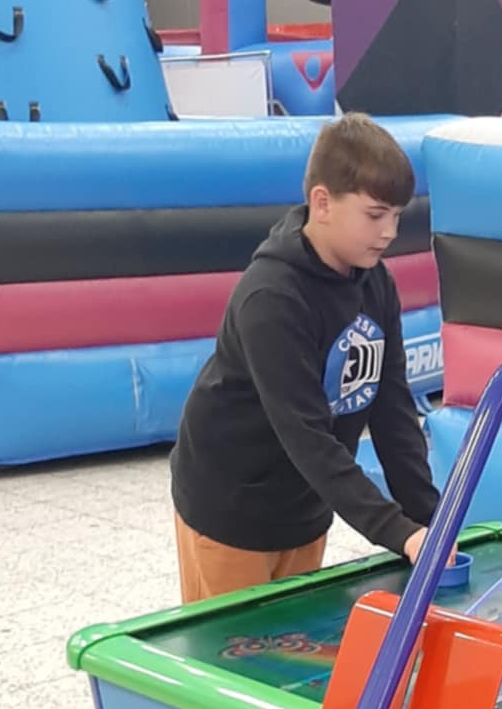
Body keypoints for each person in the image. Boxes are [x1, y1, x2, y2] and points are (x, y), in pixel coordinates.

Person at [171, 113, 440, 604]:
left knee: (293, 641)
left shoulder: (376, 284)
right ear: (322, 202)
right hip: (230, 503)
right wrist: (396, 531)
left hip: (307, 501)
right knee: (235, 646)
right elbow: (305, 434)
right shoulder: (272, 297)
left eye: (397, 217)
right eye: (375, 215)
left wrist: (428, 519)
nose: (389, 232)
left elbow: (393, 410)